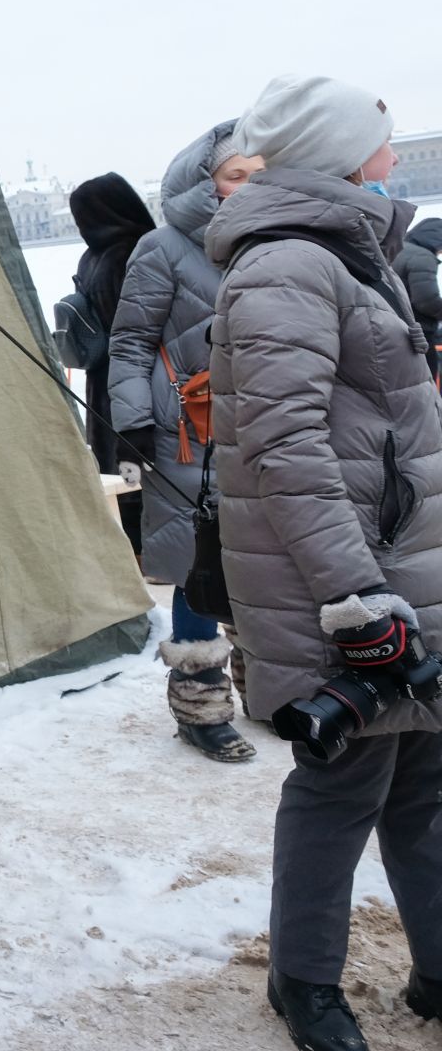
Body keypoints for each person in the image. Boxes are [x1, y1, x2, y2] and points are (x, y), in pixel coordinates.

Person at [207, 74, 442, 1051]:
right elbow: (286, 443)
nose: (396, 153)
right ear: (342, 154)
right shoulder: (288, 266)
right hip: (346, 583)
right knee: (342, 786)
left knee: (427, 781)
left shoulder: (350, 250)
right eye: (381, 138)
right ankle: (303, 981)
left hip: (403, 572)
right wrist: (356, 595)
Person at [108, 124, 264, 763]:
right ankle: (201, 707)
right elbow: (130, 340)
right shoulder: (163, 247)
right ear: (208, 182)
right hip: (188, 433)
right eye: (236, 176)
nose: (246, 189)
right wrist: (136, 421)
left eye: (260, 175)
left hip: (268, 426)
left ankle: (269, 688)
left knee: (266, 564)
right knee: (198, 567)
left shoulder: (280, 238)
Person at [65, 172, 156, 551]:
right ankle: (150, 547)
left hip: (100, 375)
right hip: (139, 374)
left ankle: (132, 544)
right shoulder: (133, 253)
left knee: (118, 464)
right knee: (145, 461)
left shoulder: (91, 258)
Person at [391, 217, 442, 382]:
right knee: (427, 380)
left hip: (395, 325)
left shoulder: (398, 249)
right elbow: (426, 301)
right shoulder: (423, 257)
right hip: (420, 332)